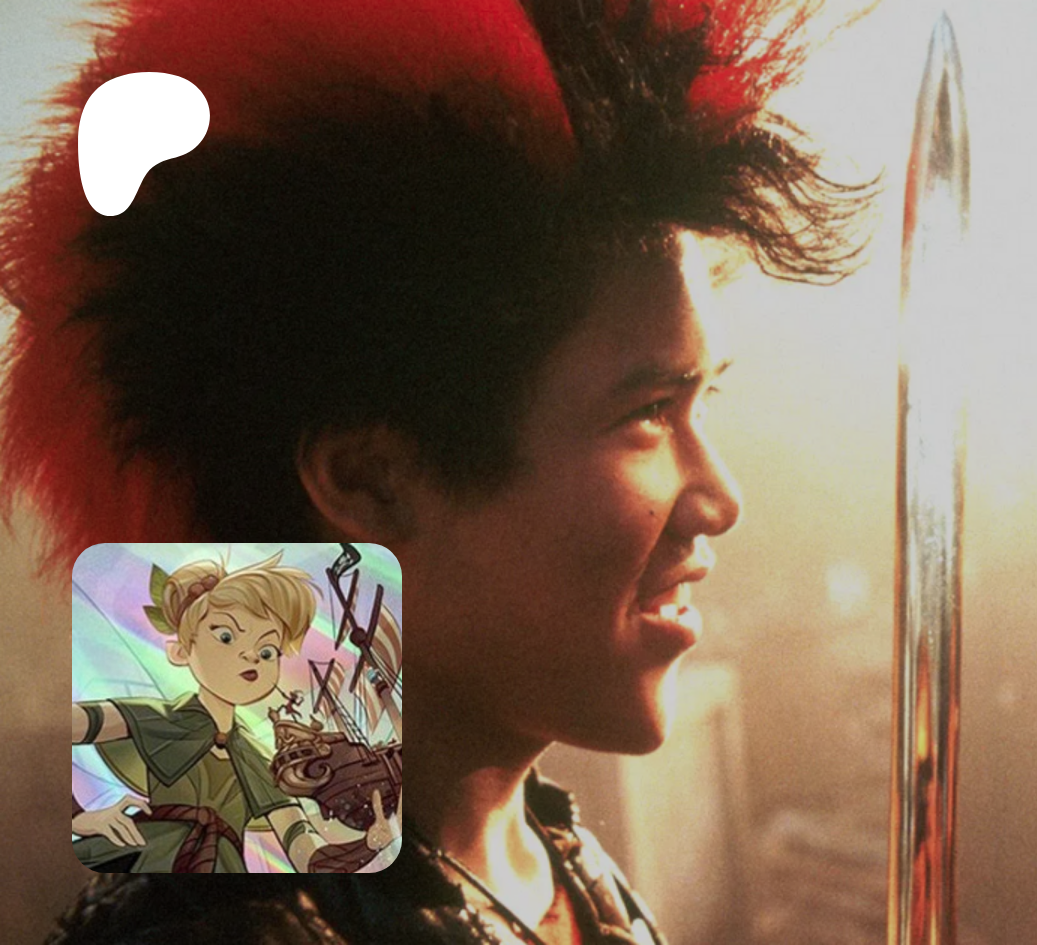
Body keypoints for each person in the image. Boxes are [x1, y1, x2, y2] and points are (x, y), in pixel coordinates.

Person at [1, 0, 868, 941]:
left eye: (704, 402)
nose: (720, 499)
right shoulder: (217, 924)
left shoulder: (544, 868)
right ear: (372, 480)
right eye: (649, 412)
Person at [70, 552, 399, 874]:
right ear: (181, 651)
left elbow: (306, 857)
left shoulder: (257, 760)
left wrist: (367, 845)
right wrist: (78, 817)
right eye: (226, 636)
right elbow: (51, 728)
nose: (251, 656)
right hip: (144, 857)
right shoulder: (156, 717)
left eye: (267, 651)